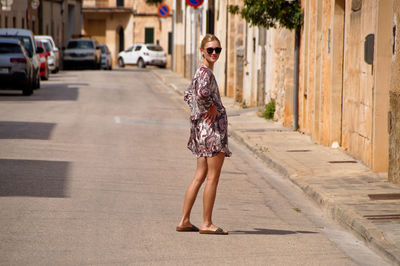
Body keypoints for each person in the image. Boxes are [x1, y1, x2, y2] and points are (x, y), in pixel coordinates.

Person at [176, 34, 231, 235]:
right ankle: (207, 223)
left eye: (218, 50)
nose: (214, 53)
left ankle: (184, 220)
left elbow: (187, 95)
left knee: (200, 176)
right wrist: (212, 107)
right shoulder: (206, 73)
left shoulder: (199, 72)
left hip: (201, 132)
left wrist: (199, 113)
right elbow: (200, 94)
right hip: (212, 133)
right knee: (212, 178)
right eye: (210, 50)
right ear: (202, 51)